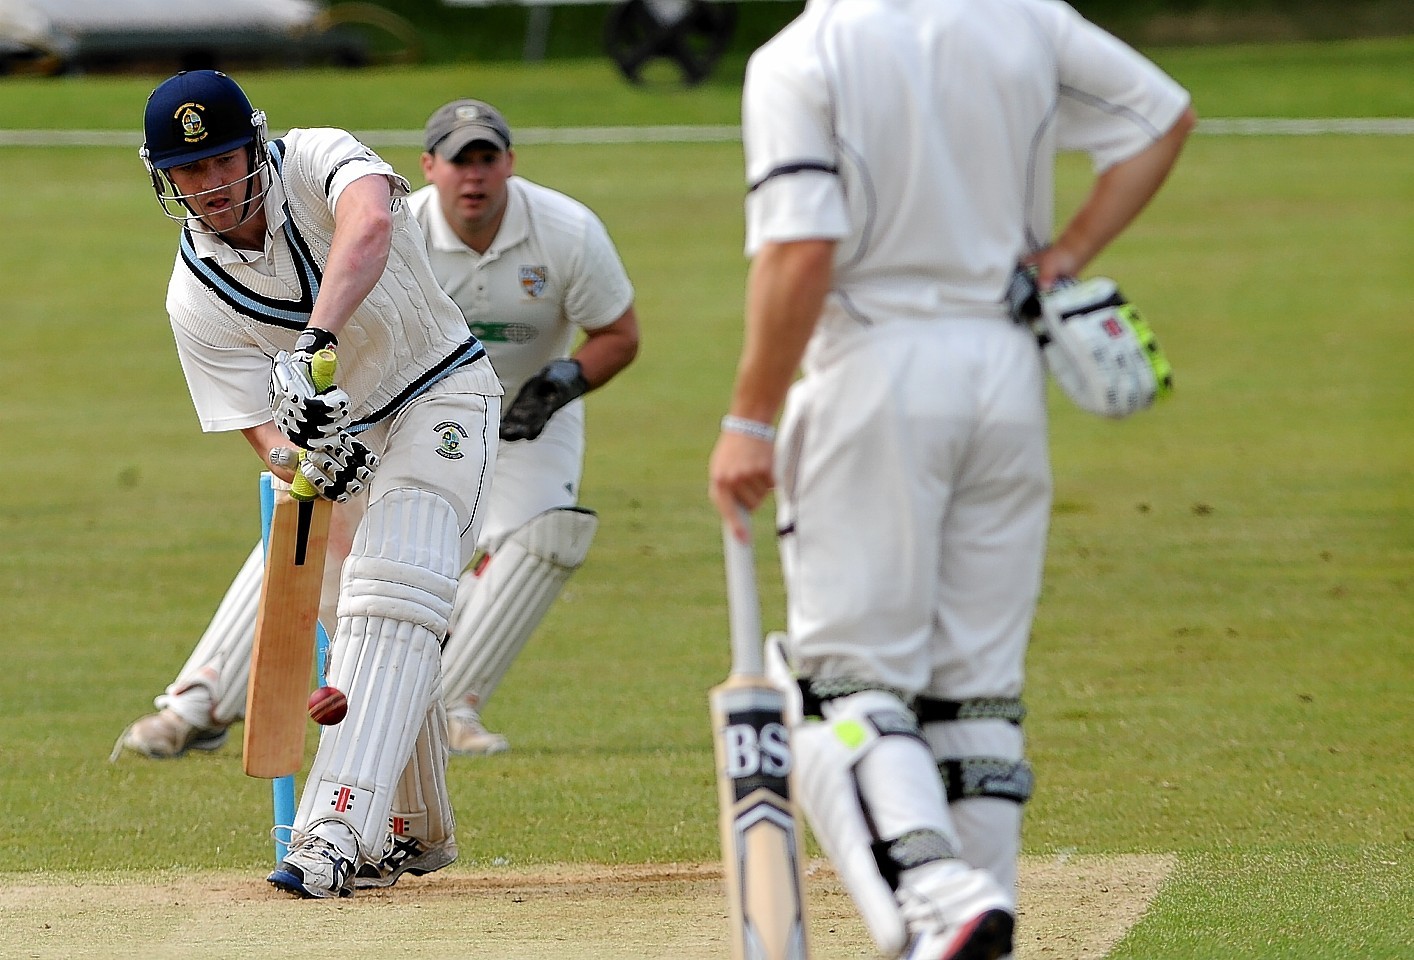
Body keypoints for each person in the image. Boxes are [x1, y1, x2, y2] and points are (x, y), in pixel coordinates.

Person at [707, 2, 1195, 958]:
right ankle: (980, 920)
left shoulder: (802, 55)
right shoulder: (1025, 18)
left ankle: (937, 892)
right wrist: (1062, 260)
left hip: (875, 368)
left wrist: (749, 418)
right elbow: (1161, 119)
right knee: (975, 694)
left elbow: (802, 249)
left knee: (839, 683)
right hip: (1007, 371)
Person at [113, 98, 639, 762]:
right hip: (388, 408)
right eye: (458, 161)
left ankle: (450, 705)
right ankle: (203, 697)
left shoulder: (567, 230)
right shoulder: (397, 223)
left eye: (486, 159)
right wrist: (305, 453)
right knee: (318, 519)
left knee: (546, 534)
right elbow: (280, 421)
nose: (472, 177)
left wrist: (567, 380)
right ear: (429, 167)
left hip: (526, 418)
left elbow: (621, 335)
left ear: (509, 163)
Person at [135, 69, 503, 899]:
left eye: (224, 160)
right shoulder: (193, 295)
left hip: (440, 390)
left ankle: (333, 830)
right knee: (368, 624)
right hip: (346, 452)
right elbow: (253, 425)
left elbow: (370, 222)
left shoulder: (317, 159)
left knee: (393, 591)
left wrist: (313, 343)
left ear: (254, 145)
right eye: (189, 173)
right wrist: (298, 458)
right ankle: (415, 831)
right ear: (165, 179)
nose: (213, 186)